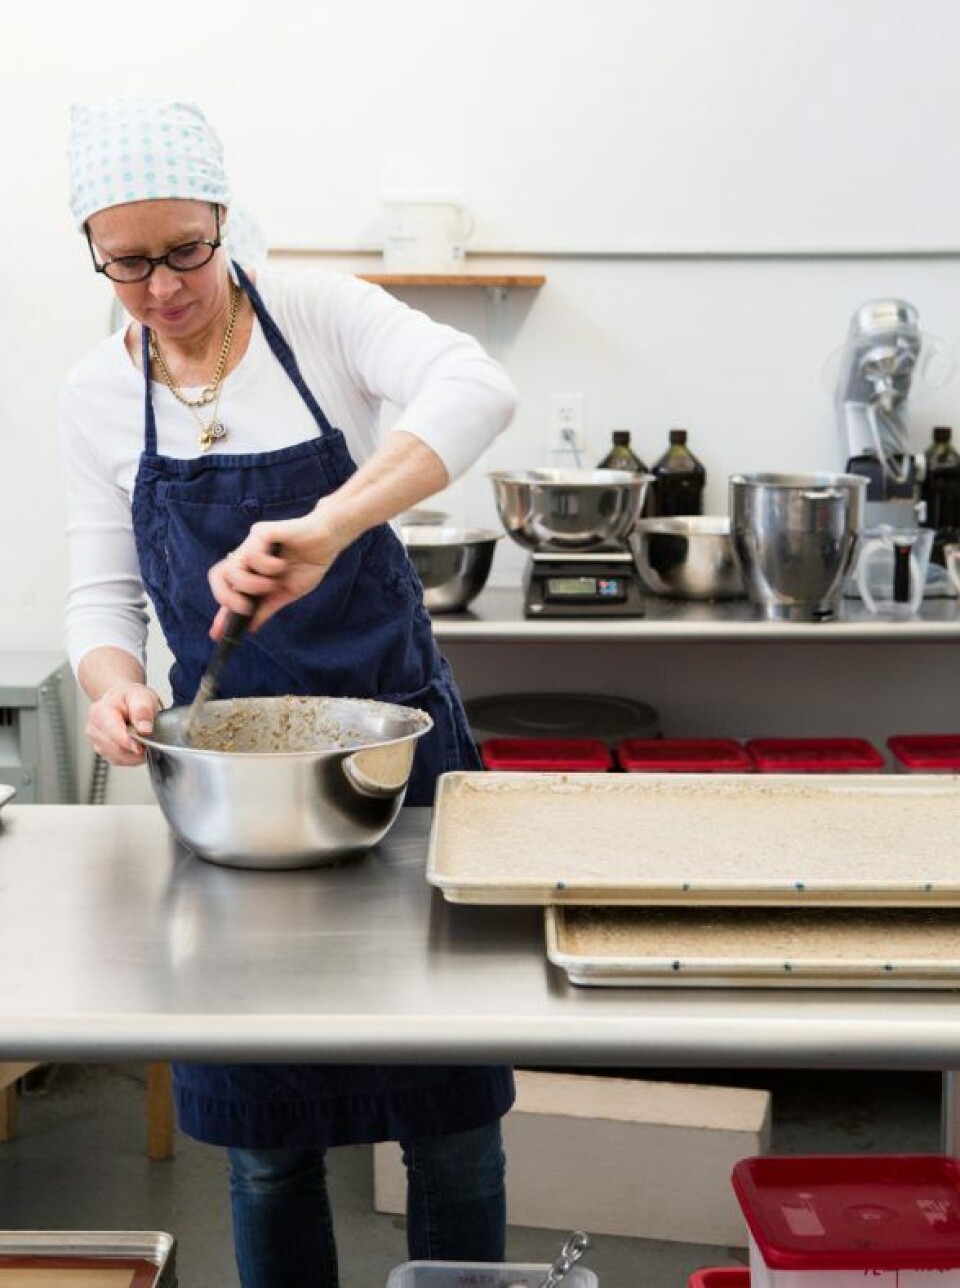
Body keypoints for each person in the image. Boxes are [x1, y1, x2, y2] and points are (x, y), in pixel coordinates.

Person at [62, 98, 518, 1288]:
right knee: (267, 1150)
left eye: (186, 250)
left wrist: (327, 523)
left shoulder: (313, 316)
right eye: (128, 263)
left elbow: (473, 387)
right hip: (232, 805)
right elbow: (97, 601)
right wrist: (112, 690)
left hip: (402, 769)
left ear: (224, 218)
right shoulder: (96, 397)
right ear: (94, 251)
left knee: (454, 1126)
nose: (163, 287)